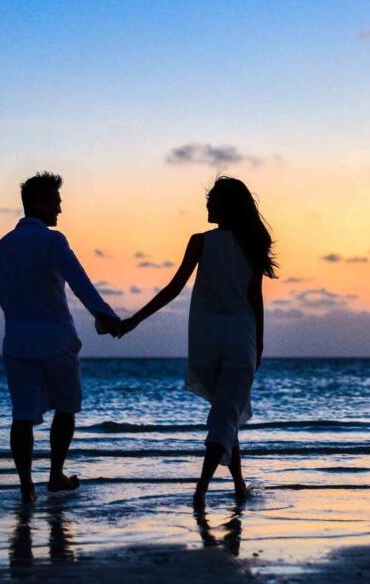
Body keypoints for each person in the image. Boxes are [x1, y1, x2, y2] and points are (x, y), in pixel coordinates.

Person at [118, 176, 276, 509]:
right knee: (225, 415)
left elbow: (173, 289)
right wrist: (259, 346)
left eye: (211, 200)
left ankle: (238, 486)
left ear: (224, 206)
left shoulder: (200, 241)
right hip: (240, 340)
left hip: (205, 342)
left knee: (226, 413)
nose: (206, 205)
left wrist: (134, 320)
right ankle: (201, 491)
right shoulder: (251, 243)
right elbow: (255, 300)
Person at [0, 172, 120, 503]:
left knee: (22, 416)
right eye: (55, 201)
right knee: (66, 408)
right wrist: (104, 315)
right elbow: (79, 280)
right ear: (37, 203)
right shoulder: (53, 241)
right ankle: (54, 475)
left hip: (17, 340)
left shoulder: (3, 245)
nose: (60, 210)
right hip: (55, 338)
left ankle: (26, 486)